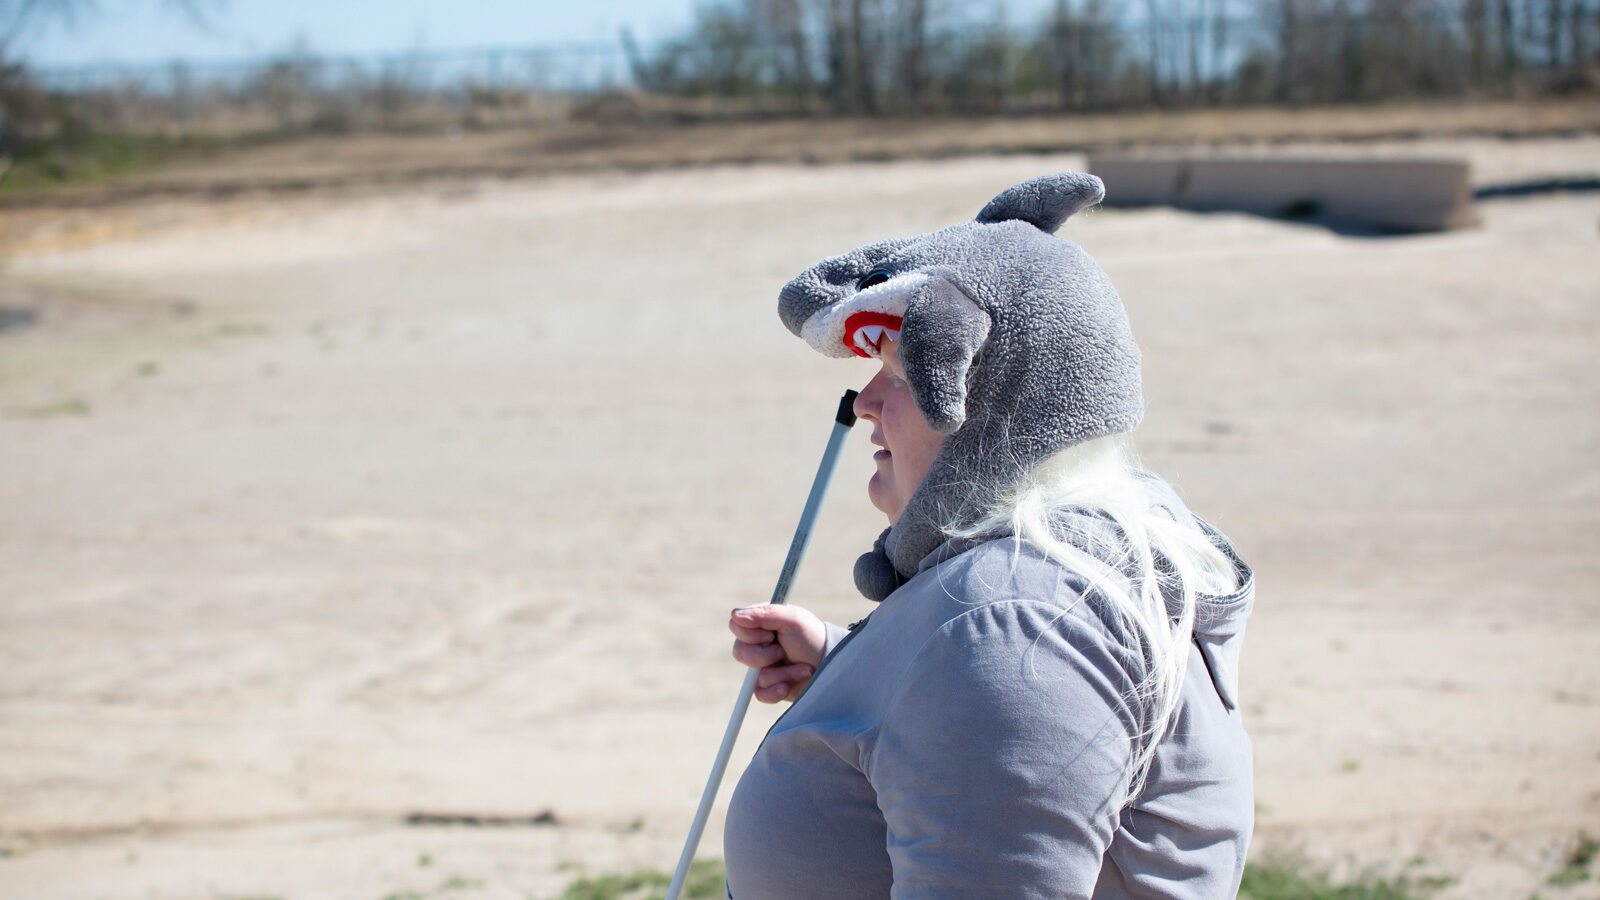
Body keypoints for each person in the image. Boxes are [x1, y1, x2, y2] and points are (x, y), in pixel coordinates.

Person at [720, 173, 1256, 899]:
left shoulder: (1016, 626)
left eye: (901, 373)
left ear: (988, 404)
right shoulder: (1034, 605)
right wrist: (855, 670)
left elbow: (1014, 677)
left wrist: (965, 658)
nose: (866, 403)